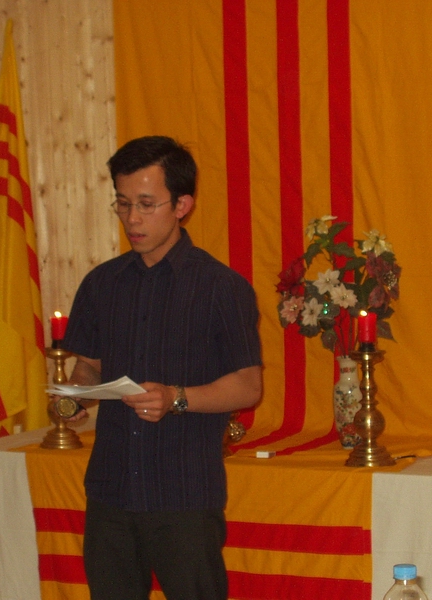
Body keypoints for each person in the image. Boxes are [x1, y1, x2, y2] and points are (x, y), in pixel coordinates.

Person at [57, 135, 262, 600]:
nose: (132, 218)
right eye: (123, 203)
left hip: (183, 495)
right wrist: (75, 395)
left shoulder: (222, 287)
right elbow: (89, 367)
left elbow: (248, 386)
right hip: (110, 490)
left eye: (147, 204)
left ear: (182, 205)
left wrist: (176, 398)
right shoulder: (101, 283)